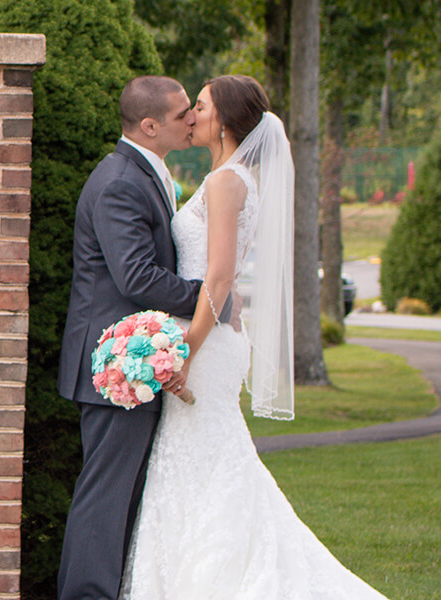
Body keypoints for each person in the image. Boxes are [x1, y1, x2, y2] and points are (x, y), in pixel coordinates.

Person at [122, 74, 388, 599]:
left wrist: (185, 353)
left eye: (199, 105)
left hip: (206, 343)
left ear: (224, 118)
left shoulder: (226, 182)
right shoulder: (227, 177)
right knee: (203, 464)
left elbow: (219, 279)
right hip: (205, 333)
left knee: (209, 462)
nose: (191, 115)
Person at [56, 75, 203, 600]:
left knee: (116, 491)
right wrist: (211, 298)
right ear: (150, 125)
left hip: (130, 360)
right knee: (106, 493)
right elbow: (136, 278)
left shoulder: (144, 172)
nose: (192, 118)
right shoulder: (121, 180)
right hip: (116, 365)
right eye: (183, 112)